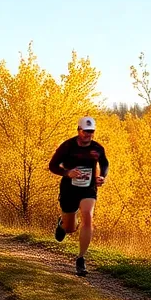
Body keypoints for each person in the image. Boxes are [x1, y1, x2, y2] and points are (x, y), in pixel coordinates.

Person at [48, 115, 108, 276]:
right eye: (85, 131)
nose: (88, 135)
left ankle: (81, 258)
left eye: (91, 132)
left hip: (88, 189)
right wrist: (68, 173)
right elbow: (52, 166)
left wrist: (102, 176)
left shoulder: (97, 148)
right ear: (79, 130)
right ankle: (62, 224)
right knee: (70, 228)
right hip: (69, 189)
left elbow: (105, 163)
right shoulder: (67, 146)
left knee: (88, 216)